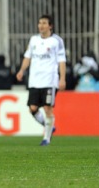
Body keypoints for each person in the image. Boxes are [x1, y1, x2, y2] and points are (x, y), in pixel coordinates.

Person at [15, 14, 66, 146]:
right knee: (32, 108)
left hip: (50, 81)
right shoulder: (33, 40)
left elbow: (62, 61)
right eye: (39, 23)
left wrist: (62, 79)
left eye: (44, 23)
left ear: (50, 26)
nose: (41, 25)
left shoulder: (57, 41)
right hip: (34, 81)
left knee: (48, 109)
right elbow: (28, 57)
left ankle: (46, 138)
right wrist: (21, 70)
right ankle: (49, 126)